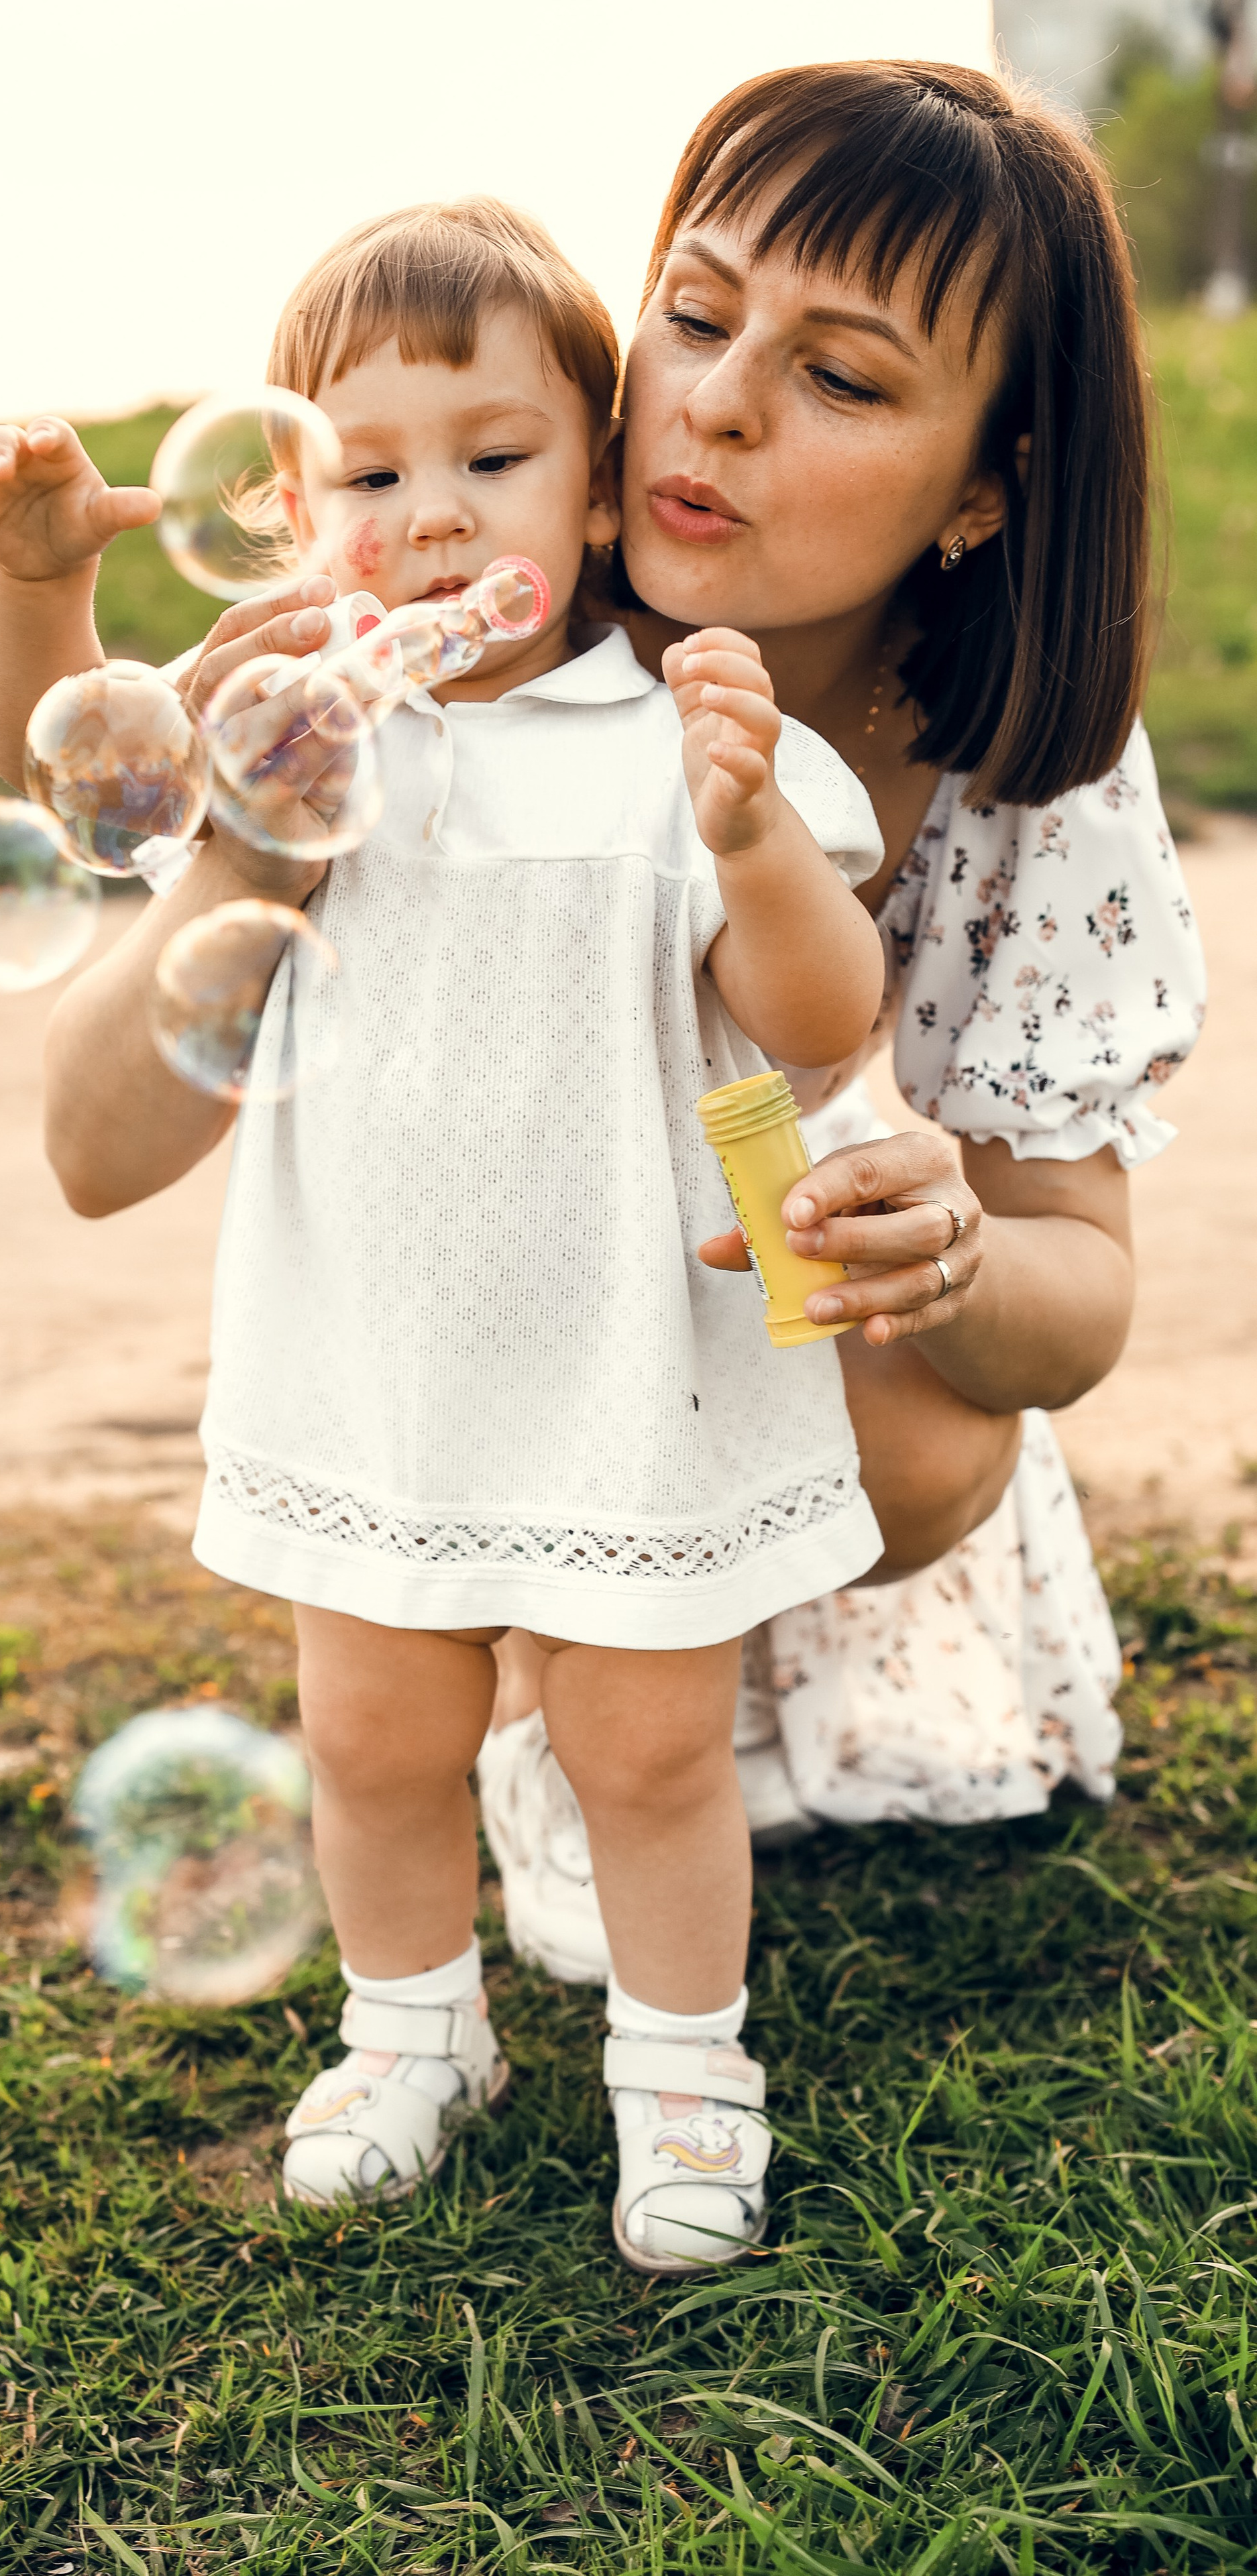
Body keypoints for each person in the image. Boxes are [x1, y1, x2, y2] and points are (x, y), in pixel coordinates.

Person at [0, 194, 896, 2277]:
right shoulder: (293, 745)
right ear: (294, 515)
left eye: (495, 455)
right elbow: (64, 766)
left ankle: (685, 2066)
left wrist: (748, 833)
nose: (438, 514)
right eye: (371, 475)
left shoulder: (678, 742)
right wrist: (38, 580)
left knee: (648, 1744)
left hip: (635, 1369)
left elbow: (825, 1017)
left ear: (602, 479)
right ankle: (410, 2032)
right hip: (369, 1359)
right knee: (373, 1736)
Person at [473, 58, 1207, 1975]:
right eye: (696, 312)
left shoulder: (1021, 772)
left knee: (936, 1437)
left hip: (735, 1255)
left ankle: (671, 1684)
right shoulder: (497, 630)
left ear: (987, 485)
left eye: (844, 378)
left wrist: (956, 1254)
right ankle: (534, 1696)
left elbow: (1081, 1298)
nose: (715, 401)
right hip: (480, 1276)